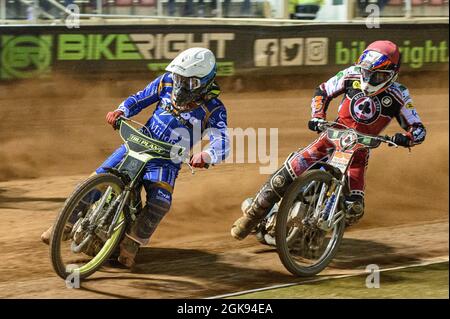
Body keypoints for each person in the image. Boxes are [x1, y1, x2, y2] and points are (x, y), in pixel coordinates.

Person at [41, 47, 230, 268]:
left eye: (189, 82)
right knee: (95, 180)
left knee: (160, 202)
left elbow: (222, 140)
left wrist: (207, 155)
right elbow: (140, 98)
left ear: (205, 82)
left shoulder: (215, 110)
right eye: (179, 77)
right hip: (138, 142)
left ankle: (131, 244)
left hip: (166, 160)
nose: (180, 85)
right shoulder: (166, 82)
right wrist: (121, 111)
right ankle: (63, 226)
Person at [231, 40, 426, 240]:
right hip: (331, 138)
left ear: (392, 74)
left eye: (377, 75)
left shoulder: (399, 94)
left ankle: (315, 238)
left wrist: (406, 138)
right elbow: (322, 91)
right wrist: (317, 116)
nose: (369, 78)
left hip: (359, 151)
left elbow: (418, 128)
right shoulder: (351, 74)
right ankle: (253, 216)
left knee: (354, 208)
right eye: (366, 72)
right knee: (286, 174)